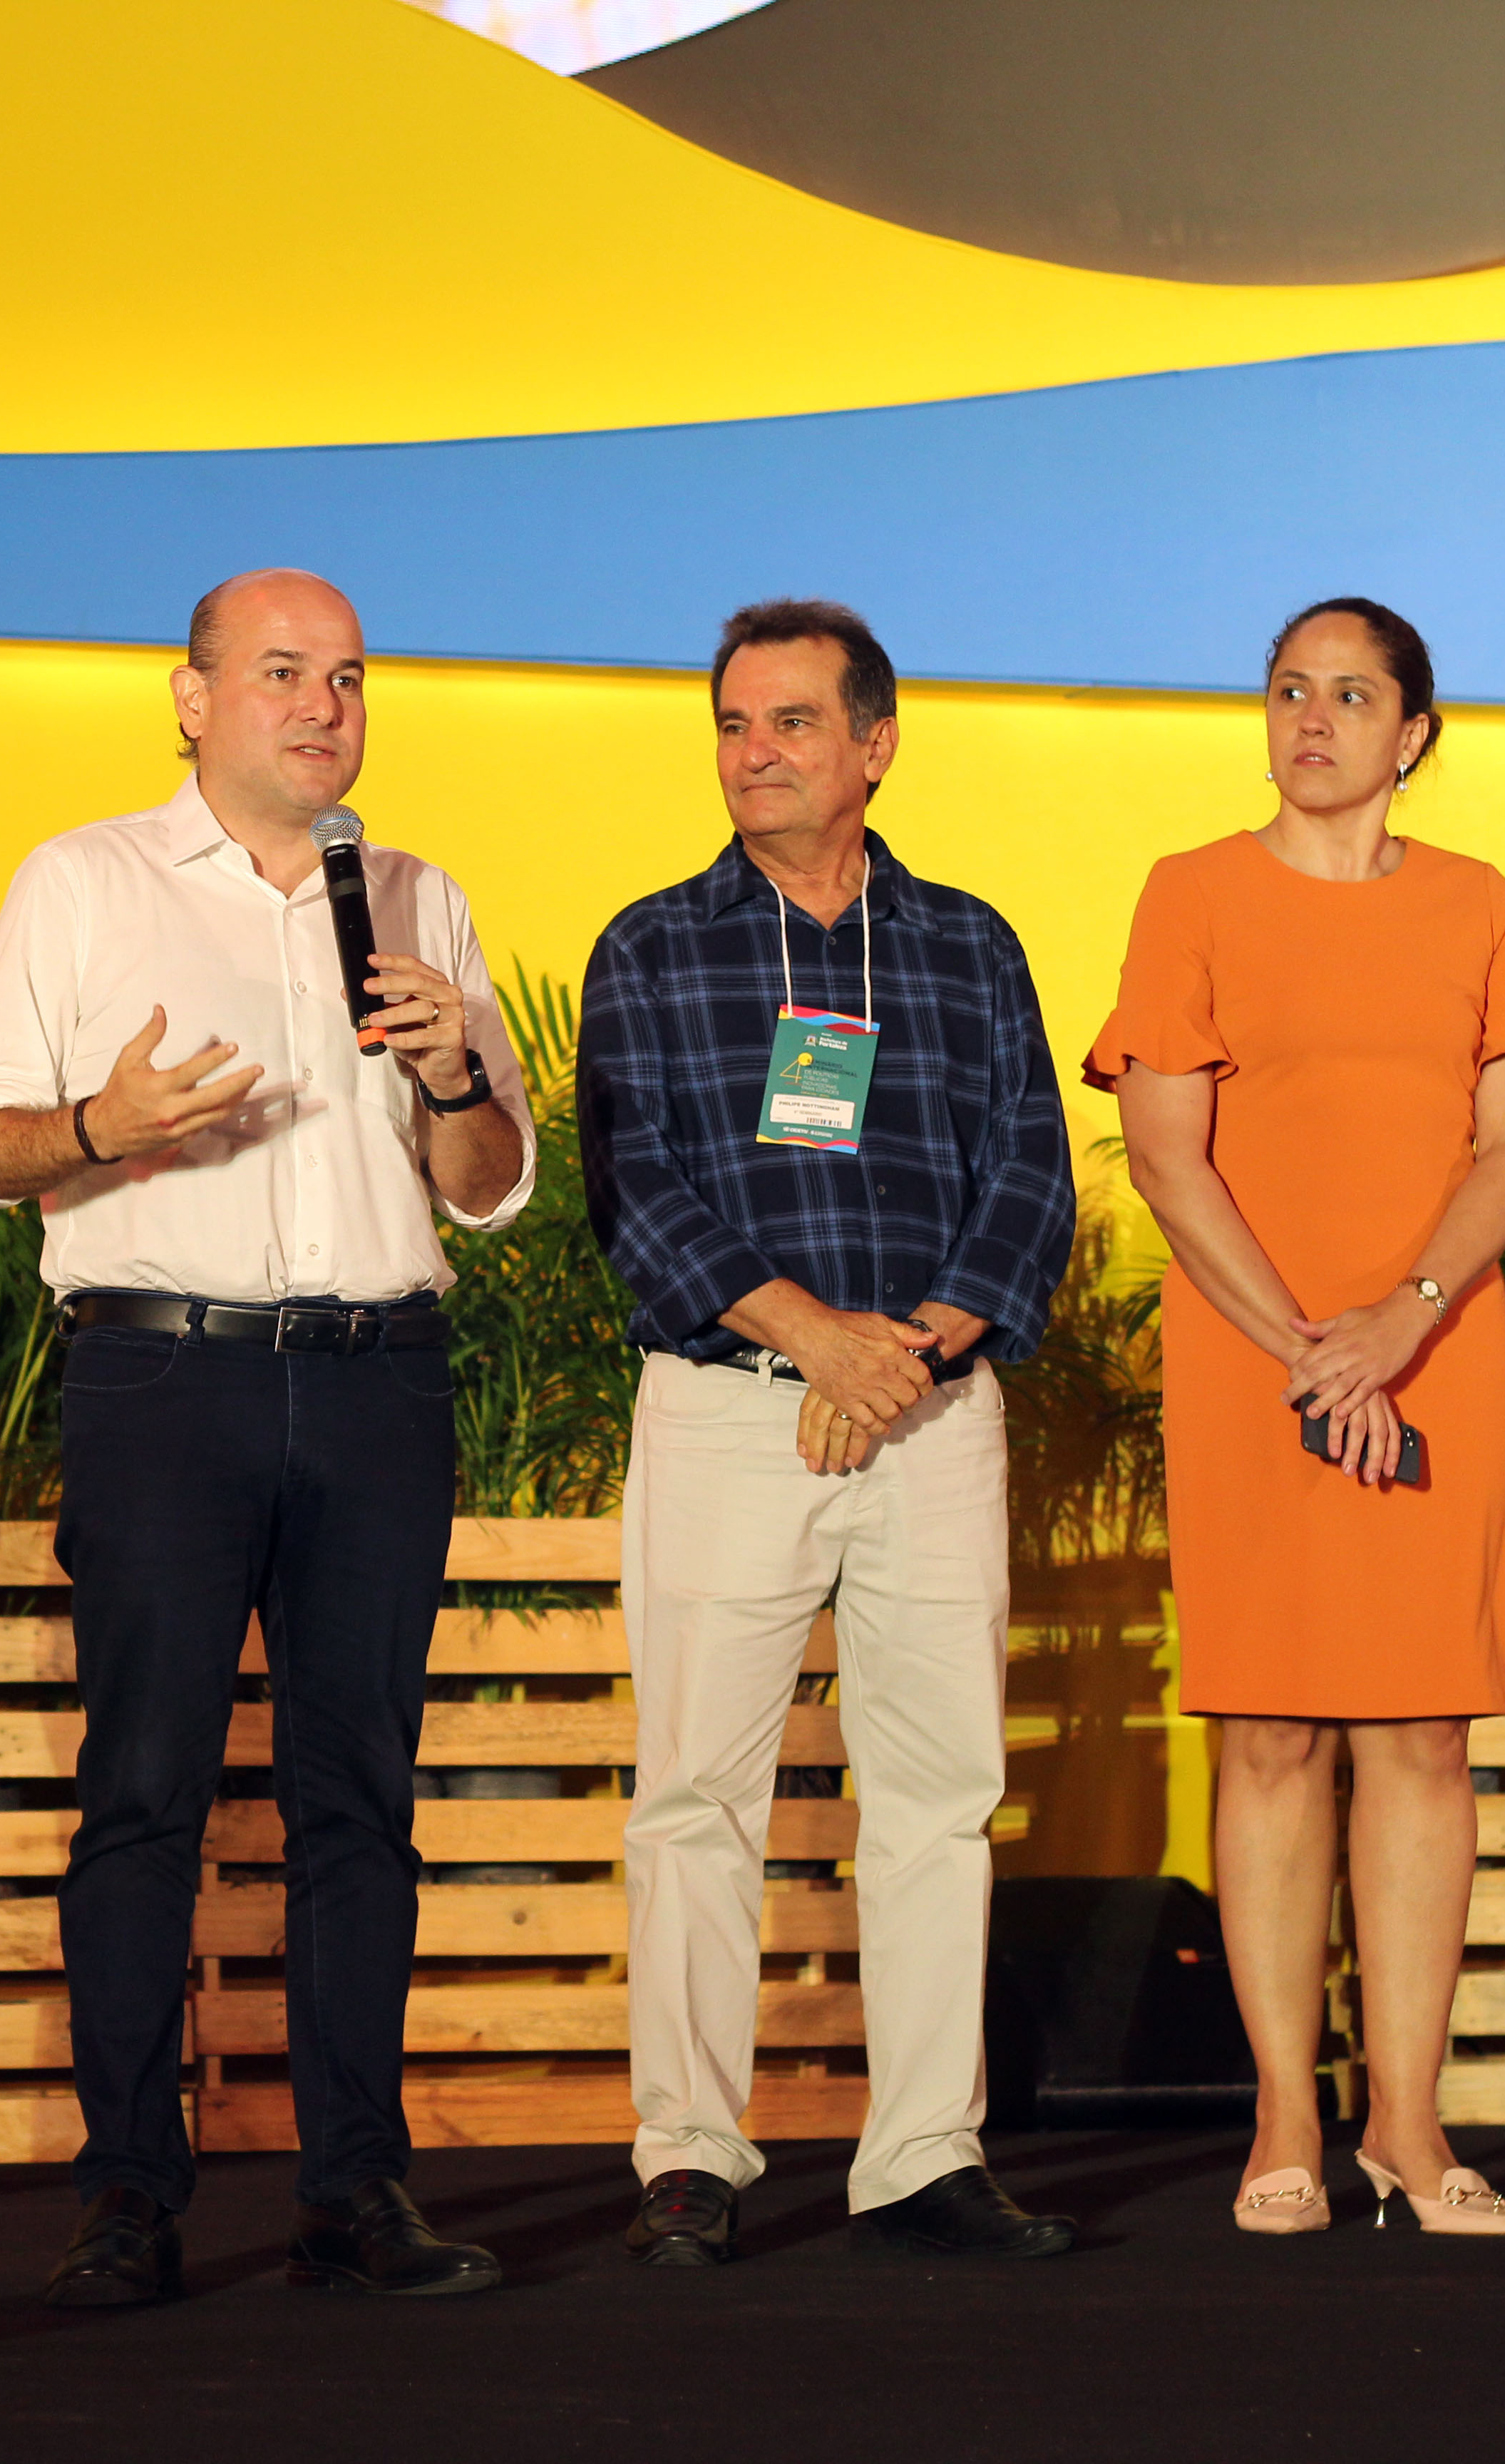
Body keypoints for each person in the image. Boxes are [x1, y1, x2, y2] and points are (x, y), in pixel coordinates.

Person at [0, 568, 535, 2306]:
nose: (324, 707)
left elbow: (488, 1194)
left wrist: (454, 1081)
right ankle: (126, 2191)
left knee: (361, 1801)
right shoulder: (84, 880)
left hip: (376, 1378)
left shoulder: (418, 896)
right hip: (163, 1379)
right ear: (193, 699)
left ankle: (358, 2187)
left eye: (349, 679)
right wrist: (100, 1126)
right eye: (283, 674)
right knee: (144, 1797)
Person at [580, 597, 1079, 2267]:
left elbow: (1031, 1172)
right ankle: (691, 2157)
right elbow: (632, 1185)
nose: (753, 754)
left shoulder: (968, 943)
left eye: (791, 723)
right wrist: (809, 1340)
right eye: (732, 724)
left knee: (938, 1797)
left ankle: (924, 2154)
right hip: (734, 1416)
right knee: (695, 1800)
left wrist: (916, 1350)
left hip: (934, 1417)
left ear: (873, 745)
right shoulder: (651, 946)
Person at [1090, 597, 1505, 2237]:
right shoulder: (1192, 894)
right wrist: (1318, 1351)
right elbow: (1169, 1156)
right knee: (1273, 1731)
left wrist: (1403, 1323)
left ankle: (1410, 2123)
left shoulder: (1481, 904)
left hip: (1438, 1347)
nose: (1312, 719)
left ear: (1414, 734)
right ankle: (1283, 2121)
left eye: (1351, 694)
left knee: (1422, 1736)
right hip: (1261, 1365)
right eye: (1289, 690)